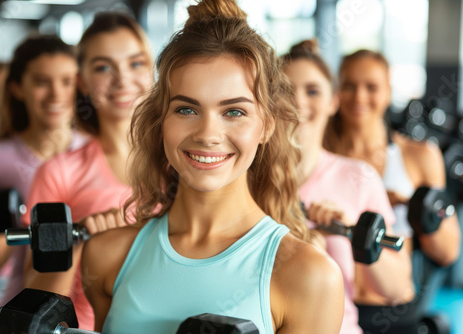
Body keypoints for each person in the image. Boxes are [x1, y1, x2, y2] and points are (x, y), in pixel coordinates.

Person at [82, 1, 345, 333]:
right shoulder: (107, 256)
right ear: (160, 121)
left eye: (234, 111)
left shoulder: (308, 276)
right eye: (186, 110)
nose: (207, 135)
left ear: (266, 126)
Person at [22, 12, 154, 331]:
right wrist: (80, 241)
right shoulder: (58, 172)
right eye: (104, 67)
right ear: (81, 80)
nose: (123, 80)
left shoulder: (186, 162)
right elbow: (37, 298)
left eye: (136, 63)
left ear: (152, 70)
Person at [282, 40, 414, 334]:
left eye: (312, 91)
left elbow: (396, 288)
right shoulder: (246, 177)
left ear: (333, 102)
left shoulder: (359, 177)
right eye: (285, 90)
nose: (299, 102)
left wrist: (356, 232)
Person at [324, 49, 461, 331]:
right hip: (331, 307)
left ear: (388, 91)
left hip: (394, 306)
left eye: (371, 87)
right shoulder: (319, 155)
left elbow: (448, 252)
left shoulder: (418, 155)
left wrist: (412, 205)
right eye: (349, 86)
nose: (359, 97)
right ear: (337, 91)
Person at [0, 34, 86, 334]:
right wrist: (15, 215)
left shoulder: (96, 154)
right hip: (20, 313)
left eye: (67, 81)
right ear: (19, 87)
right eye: (42, 82)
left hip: (90, 313)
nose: (56, 94)